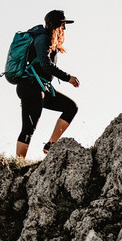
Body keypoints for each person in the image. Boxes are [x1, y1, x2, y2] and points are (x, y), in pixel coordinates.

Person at [15, 9, 80, 158]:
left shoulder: (47, 40)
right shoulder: (42, 39)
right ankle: (18, 163)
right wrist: (67, 77)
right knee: (29, 128)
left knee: (70, 107)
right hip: (30, 86)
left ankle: (51, 145)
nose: (64, 28)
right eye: (62, 24)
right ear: (53, 25)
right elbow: (46, 64)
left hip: (40, 87)